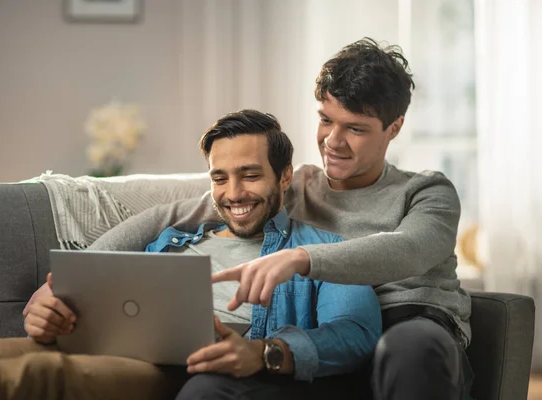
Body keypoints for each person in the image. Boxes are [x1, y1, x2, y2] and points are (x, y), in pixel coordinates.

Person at [60, 38, 473, 400]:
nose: (332, 141)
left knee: (406, 349)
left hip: (412, 329)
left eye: (355, 129)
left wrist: (299, 259)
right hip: (322, 335)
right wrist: (71, 281)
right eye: (326, 119)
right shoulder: (296, 185)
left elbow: (409, 250)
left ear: (394, 128)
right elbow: (172, 215)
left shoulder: (427, 191)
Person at [0, 110, 381, 400]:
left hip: (183, 369)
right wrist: (52, 314)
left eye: (249, 175)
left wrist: (266, 352)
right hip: (108, 346)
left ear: (284, 176)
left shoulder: (320, 252)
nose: (233, 194)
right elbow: (107, 303)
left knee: (31, 380)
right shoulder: (174, 239)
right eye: (220, 178)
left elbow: (357, 334)